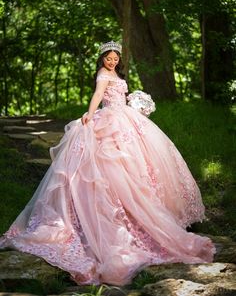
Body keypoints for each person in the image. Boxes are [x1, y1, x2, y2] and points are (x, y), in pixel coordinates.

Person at [0, 41, 215, 286]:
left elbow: (119, 95)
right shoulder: (103, 75)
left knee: (141, 165)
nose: (111, 62)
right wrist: (90, 114)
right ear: (102, 58)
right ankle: (123, 213)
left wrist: (136, 103)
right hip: (111, 121)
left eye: (115, 58)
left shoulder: (117, 73)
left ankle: (145, 212)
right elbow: (99, 95)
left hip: (127, 119)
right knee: (113, 166)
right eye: (108, 58)